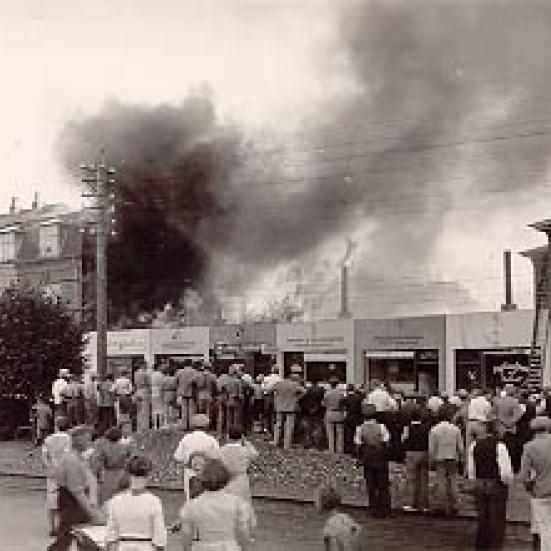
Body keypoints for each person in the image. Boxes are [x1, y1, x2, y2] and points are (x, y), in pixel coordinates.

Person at [48, 425, 105, 551]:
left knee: (70, 538)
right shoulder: (72, 460)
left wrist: (93, 503)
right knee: (68, 538)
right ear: (78, 440)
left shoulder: (78, 458)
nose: (89, 441)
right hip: (72, 505)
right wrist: (93, 513)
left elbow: (90, 479)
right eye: (87, 438)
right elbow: (77, 492)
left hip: (73, 504)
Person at [178, 458, 255, 551]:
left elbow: (186, 534)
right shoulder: (237, 503)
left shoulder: (192, 506)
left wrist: (186, 549)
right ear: (226, 478)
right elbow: (243, 532)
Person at [468, 420, 514, 549]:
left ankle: (481, 546)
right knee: (497, 519)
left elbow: (471, 470)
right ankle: (495, 546)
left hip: (480, 482)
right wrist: (507, 483)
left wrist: (475, 481)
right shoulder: (500, 447)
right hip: (495, 484)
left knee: (482, 518)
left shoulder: (474, 445)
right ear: (497, 431)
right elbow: (505, 471)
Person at [105, 454, 167, 551]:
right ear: (148, 475)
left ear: (128, 474)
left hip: (123, 546)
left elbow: (111, 535)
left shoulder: (115, 501)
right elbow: (159, 536)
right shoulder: (153, 501)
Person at [518, 416, 551, 551]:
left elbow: (523, 475)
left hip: (541, 491)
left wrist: (529, 486)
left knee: (545, 527)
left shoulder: (529, 447)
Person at [174, 414, 221, 502]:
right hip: (206, 472)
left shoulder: (186, 439)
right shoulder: (211, 440)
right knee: (206, 498)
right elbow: (217, 457)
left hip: (190, 472)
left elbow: (178, 457)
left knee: (190, 498)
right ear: (206, 426)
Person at [355, 404, 391, 517]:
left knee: (370, 485)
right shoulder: (381, 427)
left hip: (367, 457)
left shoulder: (360, 428)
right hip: (380, 457)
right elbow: (386, 440)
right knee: (383, 485)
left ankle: (373, 508)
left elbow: (358, 444)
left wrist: (359, 458)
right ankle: (384, 509)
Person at [428, 407, 465, 516]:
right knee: (453, 481)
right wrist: (462, 459)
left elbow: (431, 449)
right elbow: (461, 447)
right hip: (453, 457)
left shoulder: (434, 430)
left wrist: (431, 461)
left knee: (441, 482)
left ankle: (441, 505)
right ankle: (455, 505)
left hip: (440, 457)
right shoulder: (456, 429)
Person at [42, 416, 71, 537]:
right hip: (67, 472)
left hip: (53, 472)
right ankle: (63, 525)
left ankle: (51, 527)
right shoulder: (70, 439)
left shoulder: (48, 439)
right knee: (66, 499)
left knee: (52, 499)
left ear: (56, 426)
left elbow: (44, 457)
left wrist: (50, 468)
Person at [93, 425, 133, 506]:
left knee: (108, 499)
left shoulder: (104, 448)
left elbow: (99, 463)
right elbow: (131, 459)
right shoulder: (125, 447)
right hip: (122, 473)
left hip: (108, 474)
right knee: (123, 498)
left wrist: (98, 475)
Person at [401, 407, 430, 513]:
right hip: (424, 453)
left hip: (411, 453)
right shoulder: (426, 428)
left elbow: (403, 439)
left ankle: (411, 504)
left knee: (411, 479)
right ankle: (425, 505)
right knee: (424, 480)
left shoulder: (407, 428)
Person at [220, 428, 259, 503]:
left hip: (226, 481)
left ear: (228, 436)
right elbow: (255, 455)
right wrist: (247, 443)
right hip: (241, 481)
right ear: (241, 437)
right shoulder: (246, 451)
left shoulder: (221, 450)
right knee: (242, 505)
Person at [317, 486, 361, 551]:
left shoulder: (328, 526)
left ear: (322, 505)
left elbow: (329, 548)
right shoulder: (347, 518)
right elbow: (357, 534)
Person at [492, 384, 523, 472]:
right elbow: (518, 415)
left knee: (500, 449)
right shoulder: (515, 402)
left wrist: (500, 421)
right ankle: (512, 468)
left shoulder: (498, 401)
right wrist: (510, 422)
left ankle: (500, 467)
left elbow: (492, 414)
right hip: (511, 428)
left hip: (500, 428)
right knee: (512, 449)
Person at [272, 369, 306, 450]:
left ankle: (276, 442)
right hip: (291, 407)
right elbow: (304, 391)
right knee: (289, 426)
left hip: (280, 406)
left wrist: (277, 397)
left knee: (278, 425)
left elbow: (270, 390)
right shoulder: (295, 385)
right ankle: (287, 445)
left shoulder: (279, 384)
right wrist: (297, 398)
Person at [322, 377, 345, 454]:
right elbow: (343, 403)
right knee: (340, 432)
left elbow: (323, 404)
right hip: (339, 413)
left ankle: (331, 449)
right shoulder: (341, 394)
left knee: (330, 432)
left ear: (330, 384)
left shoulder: (327, 393)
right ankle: (340, 450)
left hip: (330, 412)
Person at [466, 388, 492, 453]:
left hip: (470, 423)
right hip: (480, 424)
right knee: (481, 445)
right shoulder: (486, 403)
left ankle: (469, 460)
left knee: (469, 446)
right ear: (486, 394)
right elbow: (488, 415)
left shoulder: (472, 401)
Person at [176, 361, 198, 430]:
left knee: (183, 409)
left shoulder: (179, 372)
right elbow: (196, 381)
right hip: (191, 392)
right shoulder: (194, 372)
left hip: (182, 392)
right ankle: (191, 425)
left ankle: (184, 425)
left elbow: (176, 381)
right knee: (191, 409)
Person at [342, 385, 364, 455]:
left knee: (349, 434)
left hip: (349, 417)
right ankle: (356, 450)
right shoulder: (359, 398)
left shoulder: (346, 398)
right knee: (356, 434)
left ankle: (349, 449)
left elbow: (344, 408)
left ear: (347, 390)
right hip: (357, 417)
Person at [134, 360, 151, 432]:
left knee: (139, 410)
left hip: (138, 391)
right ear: (143, 365)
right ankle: (145, 427)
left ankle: (139, 427)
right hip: (144, 390)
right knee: (145, 410)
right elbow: (149, 384)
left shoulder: (136, 373)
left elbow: (135, 383)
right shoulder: (145, 374)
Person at [150, 363, 165, 430]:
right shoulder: (161, 375)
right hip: (160, 391)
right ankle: (161, 424)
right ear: (158, 367)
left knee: (154, 409)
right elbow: (163, 384)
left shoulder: (151, 375)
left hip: (153, 392)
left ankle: (155, 425)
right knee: (161, 409)